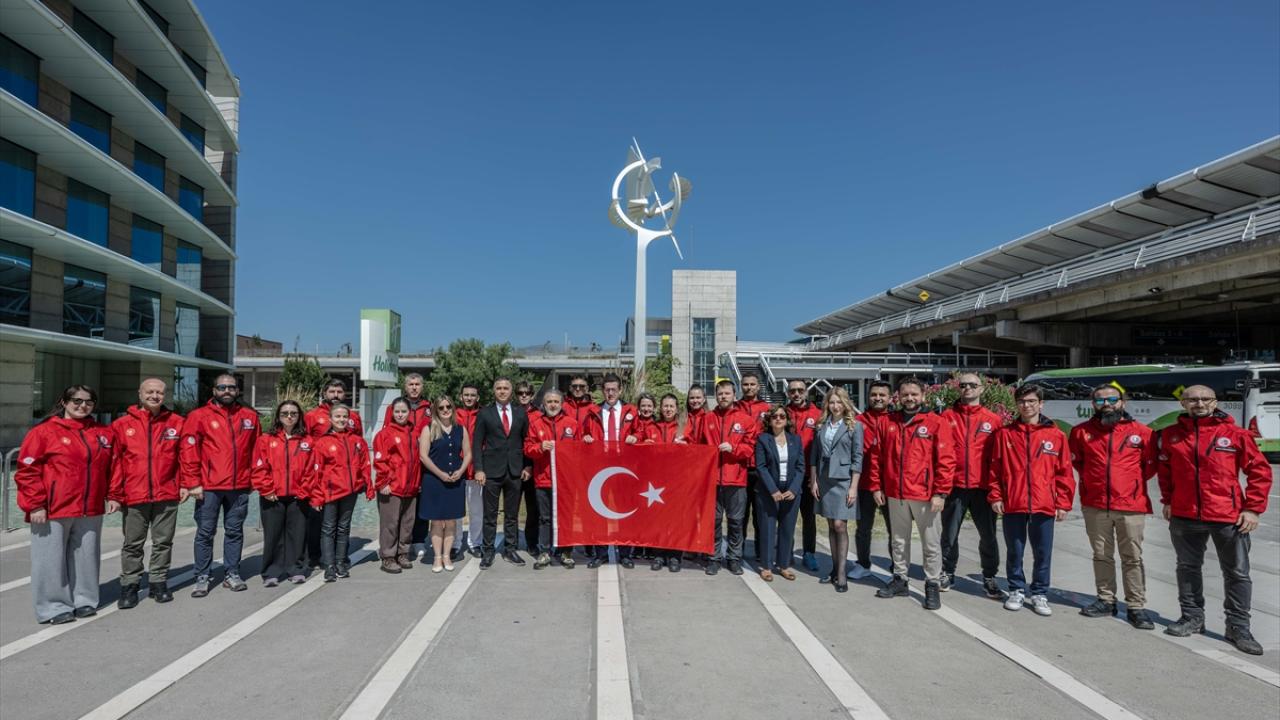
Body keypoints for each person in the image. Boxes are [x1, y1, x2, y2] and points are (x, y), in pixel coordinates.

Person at [1157, 384, 1271, 655]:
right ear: (1183, 404)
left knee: (1237, 573)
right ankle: (1192, 618)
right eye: (1192, 399)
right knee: (1187, 568)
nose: (1199, 403)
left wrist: (1253, 509)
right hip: (1185, 515)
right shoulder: (1170, 435)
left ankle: (1238, 627)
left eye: (1205, 399)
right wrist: (1169, 501)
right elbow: (1165, 471)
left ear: (1215, 402)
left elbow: (1260, 471)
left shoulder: (1236, 434)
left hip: (1228, 516)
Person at [16, 385, 117, 624]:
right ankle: (53, 607)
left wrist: (114, 495)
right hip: (53, 507)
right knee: (49, 560)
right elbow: (27, 470)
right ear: (64, 402)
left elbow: (114, 467)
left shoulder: (103, 433)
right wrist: (35, 504)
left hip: (90, 507)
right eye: (77, 401)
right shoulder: (43, 432)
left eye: (89, 402)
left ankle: (84, 600)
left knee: (86, 558)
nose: (83, 406)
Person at [1069, 384, 1157, 629]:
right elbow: (1079, 463)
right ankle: (1106, 600)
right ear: (1093, 405)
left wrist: (1129, 485)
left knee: (1132, 557)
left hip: (1131, 505)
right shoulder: (1080, 432)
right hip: (1095, 505)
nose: (1106, 404)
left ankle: (1136, 606)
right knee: (1101, 555)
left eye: (1111, 399)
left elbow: (1149, 466)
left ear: (1122, 402)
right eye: (1100, 401)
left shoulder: (1143, 433)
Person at [870, 377, 955, 610]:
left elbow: (946, 460)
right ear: (898, 396)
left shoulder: (936, 422)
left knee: (931, 543)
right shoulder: (887, 422)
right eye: (905, 394)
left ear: (923, 396)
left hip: (925, 495)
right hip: (895, 493)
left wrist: (941, 492)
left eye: (914, 394)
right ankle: (900, 579)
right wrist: (876, 486)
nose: (909, 398)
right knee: (898, 540)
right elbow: (876, 457)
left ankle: (932, 583)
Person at [988, 384, 1073, 617]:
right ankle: (1016, 589)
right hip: (1013, 502)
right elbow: (995, 469)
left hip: (1043, 503)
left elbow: (1064, 472)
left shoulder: (1056, 435)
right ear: (1017, 404)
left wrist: (1063, 503)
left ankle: (1039, 593)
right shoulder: (1005, 434)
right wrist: (996, 495)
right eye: (1022, 401)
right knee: (1015, 550)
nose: (1026, 405)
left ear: (1041, 404)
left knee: (1042, 552)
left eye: (1031, 401)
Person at [180, 373, 260, 597]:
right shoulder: (199, 416)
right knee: (205, 533)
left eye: (231, 387)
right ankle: (202, 576)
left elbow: (256, 450)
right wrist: (192, 482)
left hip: (239, 486)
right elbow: (188, 451)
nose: (227, 391)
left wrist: (253, 478)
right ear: (214, 390)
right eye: (222, 387)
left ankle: (231, 573)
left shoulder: (249, 417)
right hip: (209, 487)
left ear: (237, 391)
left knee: (234, 532)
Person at [110, 378, 184, 607]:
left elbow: (185, 458)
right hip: (135, 494)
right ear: (140, 394)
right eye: (150, 392)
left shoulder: (177, 423)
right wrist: (114, 495)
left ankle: (158, 582)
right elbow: (115, 463)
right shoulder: (121, 425)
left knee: (163, 542)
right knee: (133, 543)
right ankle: (130, 585)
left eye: (159, 392)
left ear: (165, 395)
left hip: (167, 493)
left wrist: (185, 484)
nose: (154, 396)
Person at [938, 373, 1004, 598]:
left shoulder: (993, 420)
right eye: (963, 385)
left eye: (973, 385)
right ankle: (947, 572)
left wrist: (997, 489)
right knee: (949, 534)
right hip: (954, 485)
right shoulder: (946, 417)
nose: (968, 388)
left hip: (982, 487)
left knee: (988, 536)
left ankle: (989, 576)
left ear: (981, 389)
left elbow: (998, 458)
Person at [696, 380, 758, 576]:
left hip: (736, 480)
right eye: (720, 393)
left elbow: (750, 448)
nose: (723, 397)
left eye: (727, 393)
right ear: (716, 395)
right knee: (713, 522)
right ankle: (714, 558)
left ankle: (734, 558)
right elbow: (698, 447)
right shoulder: (707, 419)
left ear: (734, 395)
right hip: (712, 480)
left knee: (736, 522)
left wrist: (734, 448)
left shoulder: (746, 420)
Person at [251, 400, 314, 586]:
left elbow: (312, 469)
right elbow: (259, 466)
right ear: (278, 416)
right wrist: (266, 488)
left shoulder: (307, 441)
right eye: (285, 413)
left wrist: (304, 490)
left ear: (299, 416)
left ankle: (297, 569)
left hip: (298, 496)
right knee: (273, 535)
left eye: (293, 413)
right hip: (272, 496)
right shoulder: (265, 440)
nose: (289, 416)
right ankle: (272, 571)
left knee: (298, 535)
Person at [302, 379, 362, 569]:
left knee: (342, 522)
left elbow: (357, 445)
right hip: (320, 475)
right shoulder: (312, 416)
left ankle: (339, 557)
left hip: (345, 478)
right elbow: (304, 442)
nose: (335, 395)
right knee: (317, 519)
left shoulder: (353, 417)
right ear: (324, 393)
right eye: (332, 391)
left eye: (339, 392)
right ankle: (314, 555)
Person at [472, 377, 531, 567]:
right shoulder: (485, 413)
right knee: (490, 515)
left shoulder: (520, 413)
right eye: (499, 388)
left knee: (512, 515)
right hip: (491, 471)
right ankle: (488, 551)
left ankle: (510, 549)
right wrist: (479, 469)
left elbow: (527, 441)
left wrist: (527, 466)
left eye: (506, 388)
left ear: (511, 391)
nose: (502, 391)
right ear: (494, 390)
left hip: (515, 471)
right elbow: (477, 443)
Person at [581, 373, 638, 568]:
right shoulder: (593, 412)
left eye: (614, 389)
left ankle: (625, 553)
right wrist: (586, 438)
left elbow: (640, 432)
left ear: (620, 390)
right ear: (602, 391)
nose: (610, 393)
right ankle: (601, 553)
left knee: (624, 512)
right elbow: (584, 434)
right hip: (601, 468)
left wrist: (636, 437)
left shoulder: (631, 411)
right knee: (600, 512)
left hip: (624, 468)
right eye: (607, 390)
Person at [310, 404, 372, 582]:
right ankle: (329, 565)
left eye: (344, 416)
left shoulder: (357, 441)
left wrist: (368, 487)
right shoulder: (323, 442)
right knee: (328, 528)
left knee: (344, 527)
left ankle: (340, 562)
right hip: (330, 492)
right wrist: (316, 497)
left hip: (350, 491)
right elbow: (316, 472)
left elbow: (365, 465)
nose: (341, 420)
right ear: (330, 419)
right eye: (337, 416)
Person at [810, 388, 863, 592]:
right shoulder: (821, 425)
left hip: (843, 481)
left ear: (846, 404)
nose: (835, 406)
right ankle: (834, 569)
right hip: (824, 479)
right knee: (831, 524)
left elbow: (857, 457)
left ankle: (841, 573)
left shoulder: (854, 426)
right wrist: (814, 480)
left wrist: (853, 487)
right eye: (832, 402)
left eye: (839, 402)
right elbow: (814, 455)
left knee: (840, 525)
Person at [524, 390, 579, 569]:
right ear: (544, 404)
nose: (553, 405)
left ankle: (566, 552)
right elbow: (528, 448)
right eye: (549, 402)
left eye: (556, 401)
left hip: (566, 480)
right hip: (544, 479)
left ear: (562, 404)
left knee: (566, 517)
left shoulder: (572, 424)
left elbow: (580, 451)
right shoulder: (536, 424)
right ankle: (545, 552)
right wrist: (540, 447)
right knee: (545, 518)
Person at [420, 395, 471, 573]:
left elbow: (468, 454)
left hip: (455, 481)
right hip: (434, 481)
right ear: (435, 410)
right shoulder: (428, 429)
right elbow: (423, 456)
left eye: (448, 406)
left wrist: (461, 471)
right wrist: (440, 474)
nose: (445, 410)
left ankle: (447, 556)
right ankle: (437, 557)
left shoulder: (460, 429)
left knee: (451, 522)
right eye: (441, 407)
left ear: (453, 408)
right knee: (436, 522)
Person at [756, 405, 806, 582]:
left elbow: (801, 467)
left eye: (782, 416)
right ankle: (766, 566)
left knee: (787, 529)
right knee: (768, 529)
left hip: (791, 491)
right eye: (774, 416)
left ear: (787, 420)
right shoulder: (763, 439)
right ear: (769, 420)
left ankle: (784, 565)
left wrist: (793, 489)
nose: (778, 419)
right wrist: (773, 490)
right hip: (769, 491)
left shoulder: (796, 440)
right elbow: (761, 467)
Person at [373, 398, 423, 574]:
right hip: (392, 487)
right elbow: (380, 461)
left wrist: (417, 482)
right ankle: (388, 556)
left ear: (409, 412)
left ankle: (402, 553)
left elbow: (417, 461)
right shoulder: (384, 434)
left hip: (411, 487)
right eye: (397, 412)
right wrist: (383, 482)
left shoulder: (414, 433)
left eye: (403, 411)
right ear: (392, 413)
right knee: (390, 524)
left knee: (407, 524)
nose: (400, 415)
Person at [853, 381, 894, 578]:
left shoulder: (896, 420)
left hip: (890, 485)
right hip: (864, 484)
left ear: (890, 398)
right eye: (874, 394)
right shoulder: (858, 421)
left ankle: (898, 568)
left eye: (882, 395)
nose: (878, 398)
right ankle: (862, 563)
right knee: (863, 528)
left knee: (895, 529)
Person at [647, 393, 687, 572]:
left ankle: (675, 556)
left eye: (671, 406)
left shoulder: (684, 428)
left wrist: (686, 447)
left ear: (676, 408)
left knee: (676, 520)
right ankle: (658, 554)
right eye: (665, 406)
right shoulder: (651, 427)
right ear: (660, 408)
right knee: (657, 520)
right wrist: (644, 444)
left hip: (677, 481)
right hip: (656, 481)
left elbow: (695, 451)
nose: (668, 409)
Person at [785, 380, 822, 571]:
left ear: (806, 392)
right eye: (793, 391)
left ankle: (809, 553)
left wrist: (818, 477)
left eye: (800, 390)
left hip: (809, 475)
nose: (796, 394)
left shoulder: (818, 414)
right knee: (787, 516)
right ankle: (786, 551)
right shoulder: (783, 413)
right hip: (788, 475)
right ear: (788, 393)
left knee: (809, 518)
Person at [737, 373, 771, 560]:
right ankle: (738, 550)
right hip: (740, 468)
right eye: (745, 384)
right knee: (741, 513)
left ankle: (761, 551)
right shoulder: (735, 408)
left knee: (760, 513)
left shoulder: (767, 409)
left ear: (758, 387)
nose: (749, 387)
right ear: (741, 386)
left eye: (752, 384)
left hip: (760, 468)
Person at [452, 384, 485, 560]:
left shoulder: (483, 414)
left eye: (473, 395)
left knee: (476, 510)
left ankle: (475, 543)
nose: (469, 398)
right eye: (466, 395)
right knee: (456, 511)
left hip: (476, 470)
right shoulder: (453, 414)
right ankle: (455, 543)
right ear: (461, 396)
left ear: (477, 397)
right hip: (456, 470)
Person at [515, 380, 541, 555]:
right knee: (512, 509)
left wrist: (529, 465)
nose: (524, 396)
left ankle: (532, 542)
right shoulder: (511, 412)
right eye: (520, 393)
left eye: (527, 393)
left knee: (533, 509)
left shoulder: (539, 414)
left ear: (532, 395)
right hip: (514, 466)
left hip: (533, 466)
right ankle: (511, 543)